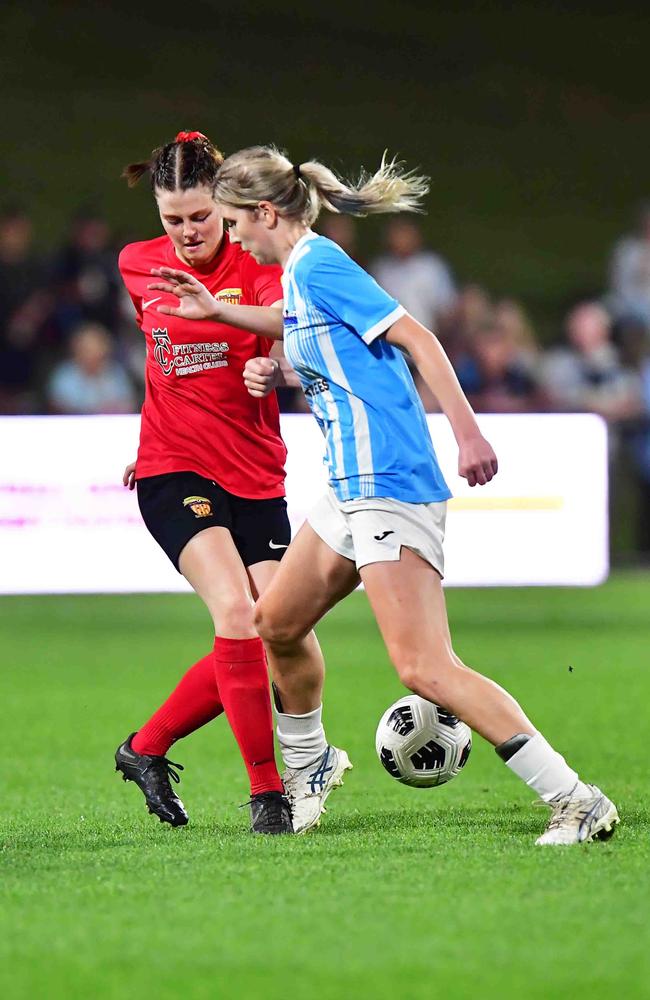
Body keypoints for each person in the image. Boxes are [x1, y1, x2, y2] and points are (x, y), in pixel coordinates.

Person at [153, 146, 620, 846]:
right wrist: (224, 315)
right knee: (274, 622)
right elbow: (301, 330)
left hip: (389, 484)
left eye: (231, 220)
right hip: (349, 489)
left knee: (424, 666)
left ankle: (576, 799)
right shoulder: (299, 277)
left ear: (264, 213)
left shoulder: (321, 266)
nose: (230, 235)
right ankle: (309, 769)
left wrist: (468, 435)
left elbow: (419, 339)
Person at [114, 131, 324, 836]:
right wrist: (150, 442)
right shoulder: (135, 263)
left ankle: (145, 748)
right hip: (173, 469)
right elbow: (160, 358)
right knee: (238, 615)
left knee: (276, 629)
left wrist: (272, 370)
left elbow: (278, 333)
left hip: (256, 473)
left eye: (200, 217)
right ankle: (268, 794)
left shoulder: (257, 262)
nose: (186, 232)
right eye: (172, 219)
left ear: (224, 205)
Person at [45, 321, 137, 414]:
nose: (93, 355)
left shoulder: (115, 372)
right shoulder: (64, 375)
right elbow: (58, 407)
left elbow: (128, 404)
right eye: (88, 350)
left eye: (97, 349)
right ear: (77, 350)